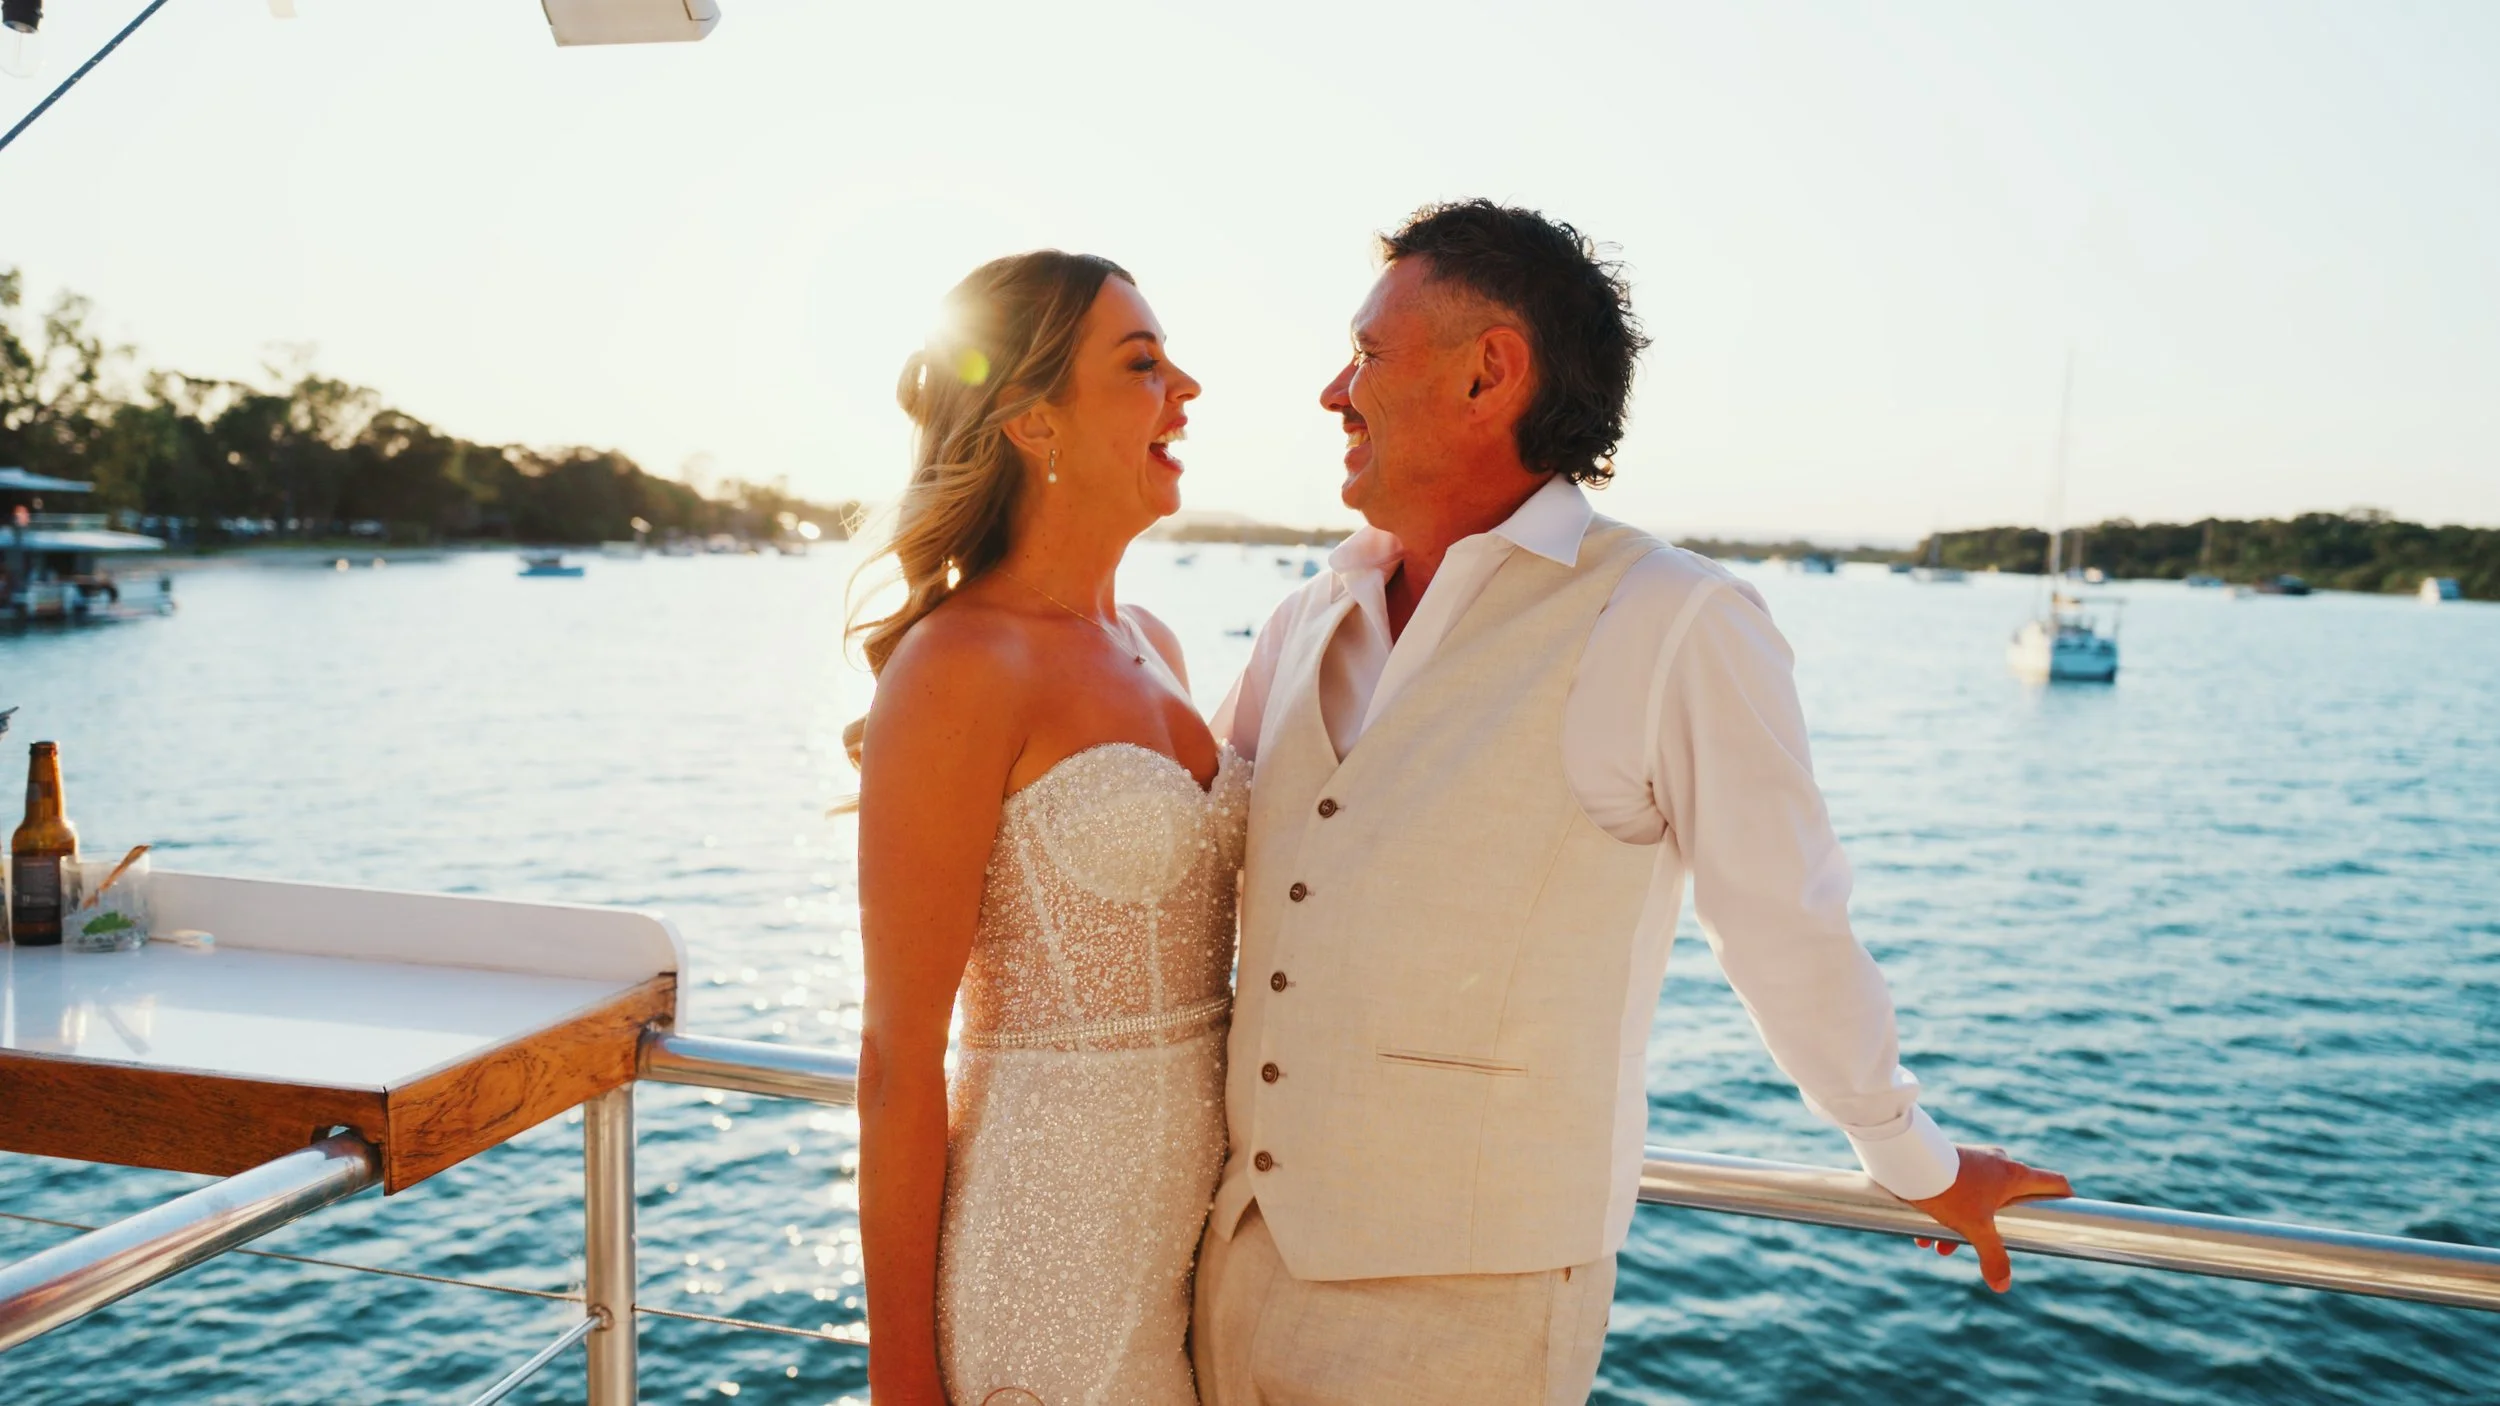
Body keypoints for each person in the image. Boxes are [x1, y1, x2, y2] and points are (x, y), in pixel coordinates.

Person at [1194, 200, 2072, 1405]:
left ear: (1489, 372)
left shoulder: (1669, 616)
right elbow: (1195, 858)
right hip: (1228, 1268)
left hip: (1466, 1307)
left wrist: (1909, 1156)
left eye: (1368, 353)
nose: (1333, 392)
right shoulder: (1307, 614)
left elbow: (1785, 923)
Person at [849, 250, 1238, 1406]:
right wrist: (901, 1377)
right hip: (1040, 1269)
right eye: (1142, 363)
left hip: (1192, 1266)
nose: (1186, 387)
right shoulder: (960, 661)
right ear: (1033, 421)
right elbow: (897, 1059)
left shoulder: (1153, 641)